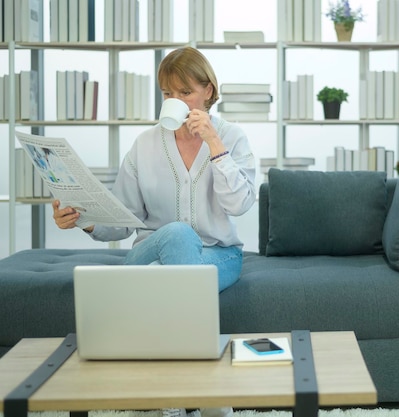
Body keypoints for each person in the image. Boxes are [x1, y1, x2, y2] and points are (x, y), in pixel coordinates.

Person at [52, 47, 256, 417]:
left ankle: (171, 400)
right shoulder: (145, 145)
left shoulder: (231, 137)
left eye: (185, 93)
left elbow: (240, 205)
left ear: (208, 91)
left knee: (168, 269)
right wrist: (84, 219)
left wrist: (214, 144)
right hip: (151, 253)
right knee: (176, 236)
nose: (174, 101)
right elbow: (124, 216)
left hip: (219, 255)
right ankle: (202, 391)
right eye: (167, 94)